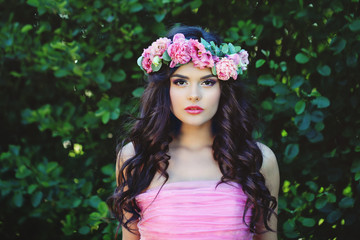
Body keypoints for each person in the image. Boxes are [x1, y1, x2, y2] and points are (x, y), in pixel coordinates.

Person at [107, 25, 280, 240]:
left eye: (207, 82)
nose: (194, 95)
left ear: (223, 89)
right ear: (164, 89)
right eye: (181, 82)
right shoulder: (137, 158)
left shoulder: (257, 160)